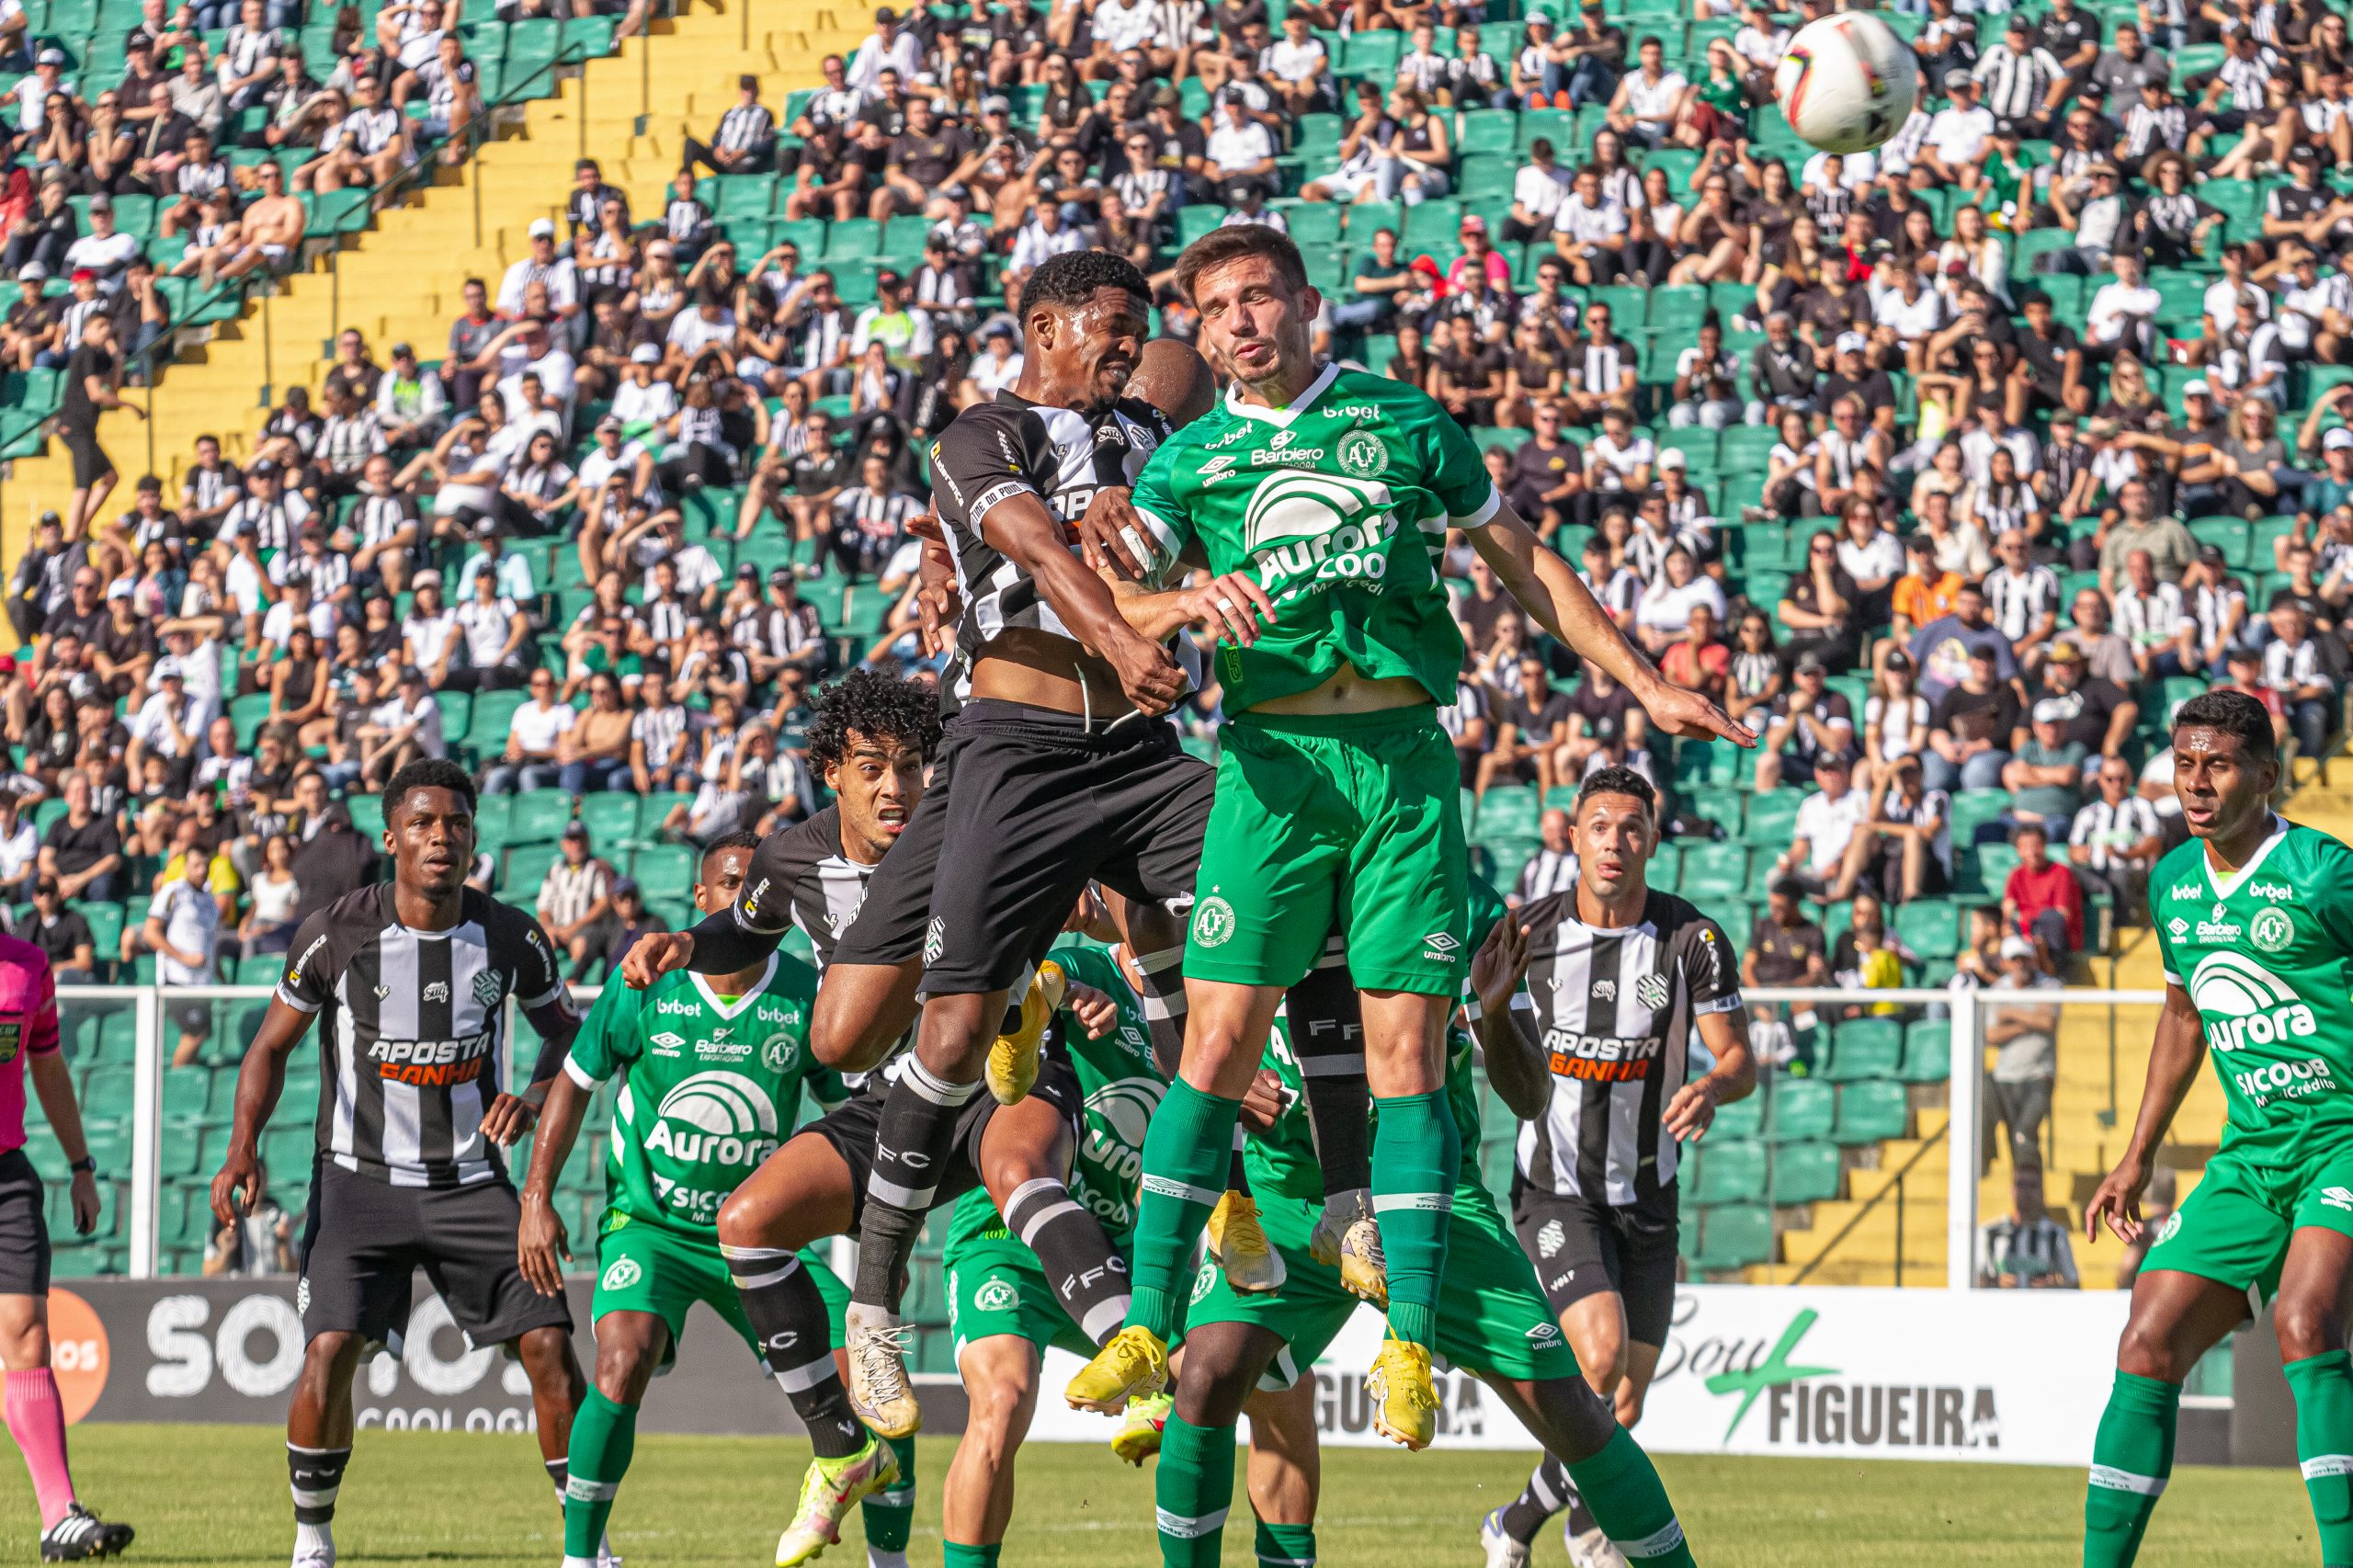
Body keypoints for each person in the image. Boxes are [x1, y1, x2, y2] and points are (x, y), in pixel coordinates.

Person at [1067, 225, 1746, 1449]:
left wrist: (1643, 684)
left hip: (1400, 764)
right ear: (1203, 333)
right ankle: (1149, 1324)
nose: (1239, 321)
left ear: (1309, 305)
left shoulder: (1403, 422)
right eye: (1215, 308)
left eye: (1259, 296)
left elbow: (1523, 560)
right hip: (1269, 769)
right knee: (1216, 1040)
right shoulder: (1193, 462)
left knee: (1405, 1051)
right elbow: (1118, 600)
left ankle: (1412, 1340)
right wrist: (1178, 601)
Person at [208, 758, 595, 1568]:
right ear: (391, 839)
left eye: (455, 822)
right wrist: (244, 1144)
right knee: (328, 1351)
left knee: (551, 1348)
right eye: (422, 823)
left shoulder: (512, 935)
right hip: (360, 1182)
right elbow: (268, 1048)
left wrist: (529, 1092)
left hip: (474, 1185)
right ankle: (312, 1541)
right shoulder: (334, 932)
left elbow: (567, 1035)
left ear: (475, 836)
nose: (440, 837)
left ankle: (580, 1551)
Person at [517, 833, 879, 1568]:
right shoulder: (646, 979)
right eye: (733, 886)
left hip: (760, 1238)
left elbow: (853, 1116)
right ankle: (580, 1560)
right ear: (704, 902)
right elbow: (576, 1083)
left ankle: (890, 1560)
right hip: (650, 1229)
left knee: (872, 1375)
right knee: (621, 1360)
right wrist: (536, 1197)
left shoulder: (804, 991)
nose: (749, 901)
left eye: (760, 891)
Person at [2081, 689, 2353, 1567]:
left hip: (2341, 1139)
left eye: (2220, 765)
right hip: (2252, 1158)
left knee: (2305, 1323)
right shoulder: (2172, 882)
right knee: (2147, 1337)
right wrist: (2136, 1155)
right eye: (2186, 764)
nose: (2197, 784)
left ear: (2266, 777)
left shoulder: (2322, 872)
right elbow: (2184, 1017)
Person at [1477, 766, 1752, 1568]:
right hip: (1556, 1191)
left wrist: (1711, 1086)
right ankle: (1561, 1525)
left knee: (1620, 1402)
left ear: (1653, 841)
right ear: (1573, 835)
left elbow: (1740, 1060)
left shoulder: (1690, 939)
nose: (1615, 843)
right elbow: (1485, 1042)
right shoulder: (1527, 935)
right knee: (1598, 1360)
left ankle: (1520, 1522)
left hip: (1648, 1195)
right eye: (1600, 826)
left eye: (1632, 828)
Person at [0, 928, 132, 1558]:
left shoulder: (28, 968)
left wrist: (81, 1165)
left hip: (6, 1175)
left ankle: (60, 1515)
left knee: (27, 1332)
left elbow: (46, 1063)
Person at [1984, 934, 2062, 1189]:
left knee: (2025, 1136)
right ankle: (2024, 1202)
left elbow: (2048, 1022)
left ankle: (2034, 1203)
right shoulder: (1998, 990)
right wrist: (2030, 1021)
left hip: (2038, 1075)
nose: (2020, 964)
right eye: (2014, 960)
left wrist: (2011, 1014)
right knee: (2014, 1142)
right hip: (2005, 1076)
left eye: (2024, 958)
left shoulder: (2049, 986)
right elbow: (1992, 1035)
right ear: (2006, 963)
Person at [1978, 1173, 2080, 1288]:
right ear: (2011, 1190)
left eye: (2032, 1185)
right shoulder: (1989, 1232)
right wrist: (1994, 1282)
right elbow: (1972, 1280)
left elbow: (2074, 1283)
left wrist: (2054, 1287)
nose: (2026, 1191)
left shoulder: (2055, 1233)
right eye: (2021, 1185)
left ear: (2041, 1192)